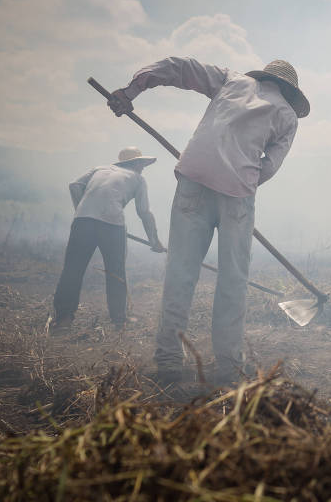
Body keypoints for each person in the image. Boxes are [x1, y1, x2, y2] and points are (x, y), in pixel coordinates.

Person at [107, 57, 309, 385]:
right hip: (237, 195)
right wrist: (240, 179)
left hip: (193, 179)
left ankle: (169, 361)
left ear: (264, 77)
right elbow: (270, 165)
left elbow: (177, 67)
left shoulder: (232, 80)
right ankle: (228, 369)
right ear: (290, 90)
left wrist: (133, 90)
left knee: (180, 273)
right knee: (232, 281)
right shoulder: (286, 115)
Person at [53, 147, 164, 330]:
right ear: (135, 163)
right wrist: (154, 240)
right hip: (112, 224)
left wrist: (84, 210)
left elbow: (74, 185)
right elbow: (144, 212)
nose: (143, 168)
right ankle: (119, 321)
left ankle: (63, 318)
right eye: (142, 164)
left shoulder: (99, 169)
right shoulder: (137, 178)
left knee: (72, 269)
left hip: (82, 221)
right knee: (115, 272)